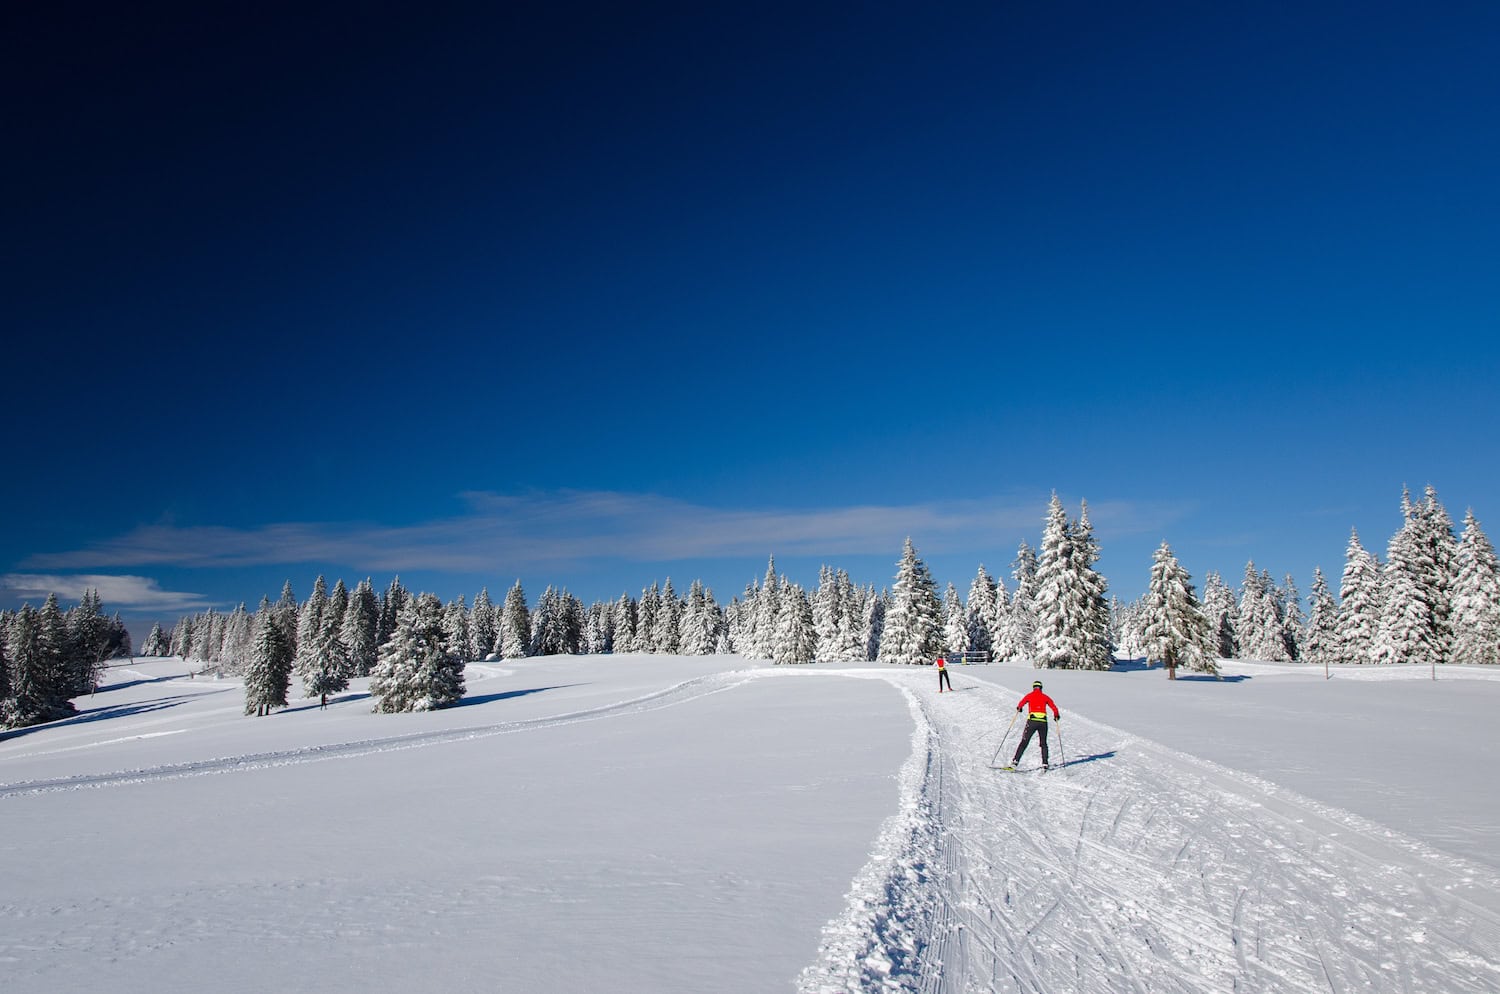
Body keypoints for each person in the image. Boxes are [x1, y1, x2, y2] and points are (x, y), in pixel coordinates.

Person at [1008, 679, 1061, 770]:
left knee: (1024, 741)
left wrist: (1019, 708)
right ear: (1041, 688)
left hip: (1032, 721)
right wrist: (1056, 715)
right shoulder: (1045, 697)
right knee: (1043, 743)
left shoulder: (1030, 695)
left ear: (1033, 687)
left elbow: (1021, 704)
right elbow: (1054, 707)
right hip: (1043, 722)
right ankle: (1045, 763)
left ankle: (1015, 762)